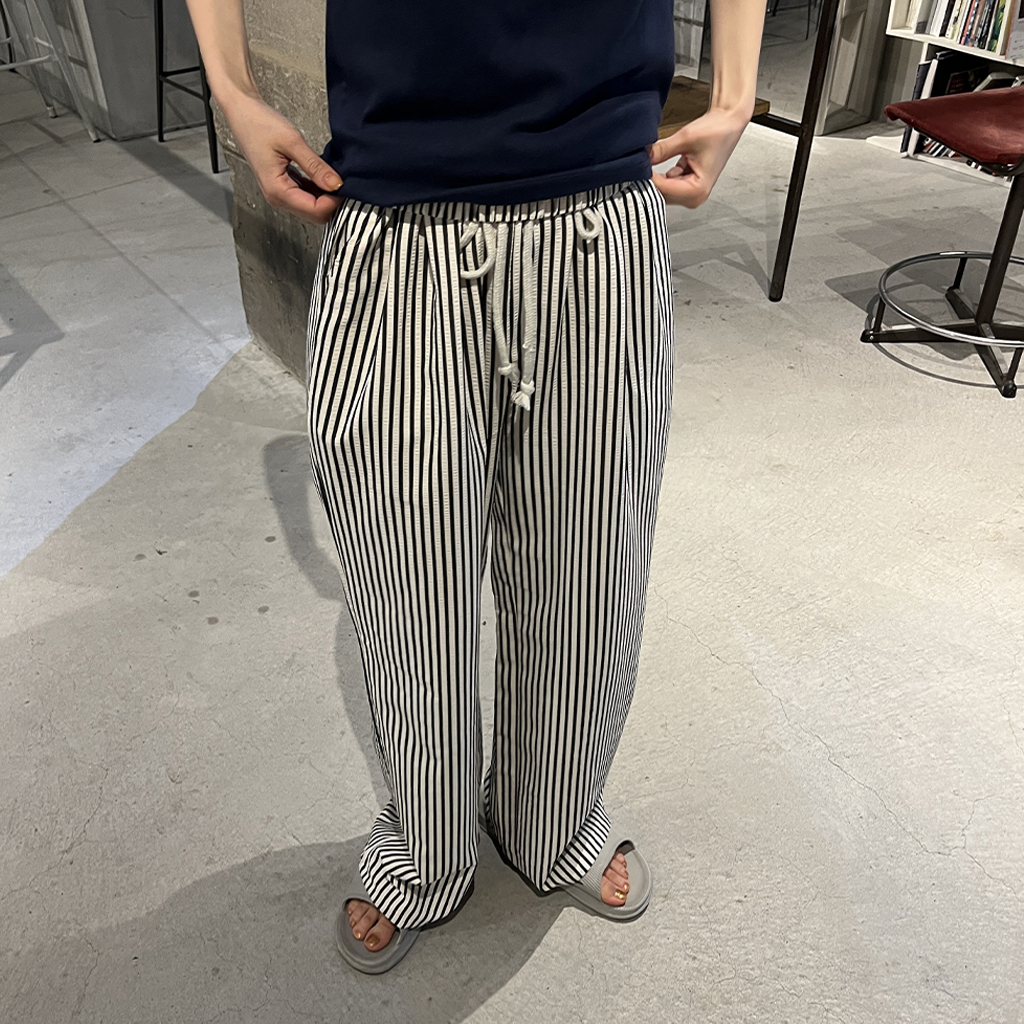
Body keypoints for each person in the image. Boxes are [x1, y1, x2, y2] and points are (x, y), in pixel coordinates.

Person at [186, 0, 763, 974]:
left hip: (602, 209)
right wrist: (233, 89)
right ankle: (427, 844)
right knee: (405, 594)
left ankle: (554, 819)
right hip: (394, 218)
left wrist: (738, 89)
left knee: (588, 580)